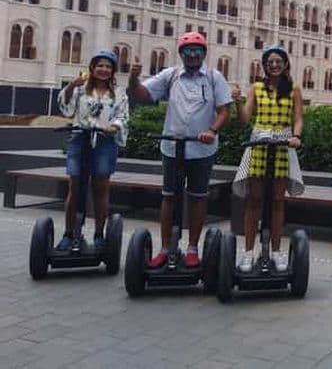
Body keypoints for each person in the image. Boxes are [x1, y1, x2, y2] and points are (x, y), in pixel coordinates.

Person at [127, 32, 232, 268]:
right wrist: (133, 78)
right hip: (172, 147)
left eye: (197, 51)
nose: (192, 55)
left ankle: (193, 247)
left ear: (204, 54)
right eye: (188, 51)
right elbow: (142, 94)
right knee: (169, 197)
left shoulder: (214, 77)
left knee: (197, 197)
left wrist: (212, 131)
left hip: (201, 149)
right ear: (181, 54)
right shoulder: (171, 75)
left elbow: (225, 111)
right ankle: (165, 248)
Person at [231, 44, 303, 272]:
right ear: (264, 65)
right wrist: (237, 102)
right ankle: (249, 252)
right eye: (270, 62)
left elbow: (298, 118)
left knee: (278, 202)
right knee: (254, 200)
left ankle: (276, 251)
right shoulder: (256, 88)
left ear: (285, 65)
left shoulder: (294, 89)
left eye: (278, 62)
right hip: (260, 142)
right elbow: (244, 120)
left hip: (282, 143)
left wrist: (296, 136)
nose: (274, 65)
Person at [56, 49, 129, 251]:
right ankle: (69, 234)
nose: (103, 70)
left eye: (108, 66)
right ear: (92, 68)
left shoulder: (119, 94)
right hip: (80, 139)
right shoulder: (80, 90)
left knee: (100, 188)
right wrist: (72, 84)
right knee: (75, 186)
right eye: (100, 66)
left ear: (113, 71)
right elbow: (65, 107)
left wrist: (114, 126)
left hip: (104, 142)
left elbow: (123, 117)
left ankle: (99, 234)